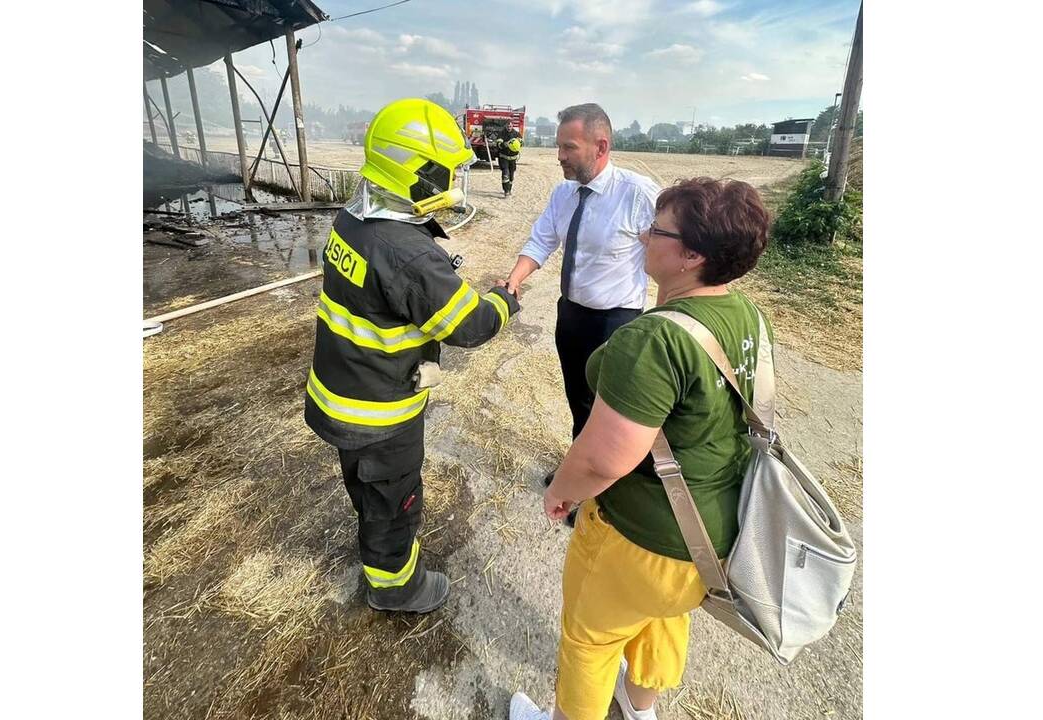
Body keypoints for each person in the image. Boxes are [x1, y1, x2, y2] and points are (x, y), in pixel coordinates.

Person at [509, 178, 773, 720]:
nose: (645, 234)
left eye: (658, 229)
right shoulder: (746, 315)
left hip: (644, 537)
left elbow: (605, 457)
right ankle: (641, 705)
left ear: (691, 255)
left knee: (590, 639)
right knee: (662, 619)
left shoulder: (653, 340)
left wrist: (562, 491)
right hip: (708, 541)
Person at [303, 98, 520, 614]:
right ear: (418, 171)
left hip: (338, 396)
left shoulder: (351, 220)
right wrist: (504, 302)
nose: (452, 182)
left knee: (365, 487)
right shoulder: (409, 253)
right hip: (382, 416)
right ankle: (396, 587)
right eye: (446, 170)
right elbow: (468, 325)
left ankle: (381, 550)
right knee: (393, 503)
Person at [501, 103, 660, 499]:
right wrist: (516, 279)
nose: (560, 156)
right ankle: (580, 466)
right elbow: (542, 240)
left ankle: (603, 490)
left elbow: (668, 252)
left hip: (616, 322)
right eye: (559, 147)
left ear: (600, 146)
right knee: (578, 397)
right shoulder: (564, 194)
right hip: (571, 314)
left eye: (569, 147)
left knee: (611, 413)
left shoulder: (638, 196)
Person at [494, 126, 523, 197]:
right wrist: (505, 144)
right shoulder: (501, 134)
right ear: (506, 126)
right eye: (508, 126)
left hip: (513, 159)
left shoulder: (517, 134)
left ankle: (509, 189)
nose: (509, 127)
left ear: (512, 126)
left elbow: (522, 143)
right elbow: (498, 145)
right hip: (503, 157)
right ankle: (506, 191)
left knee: (511, 176)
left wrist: (519, 142)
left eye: (510, 126)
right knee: (505, 173)